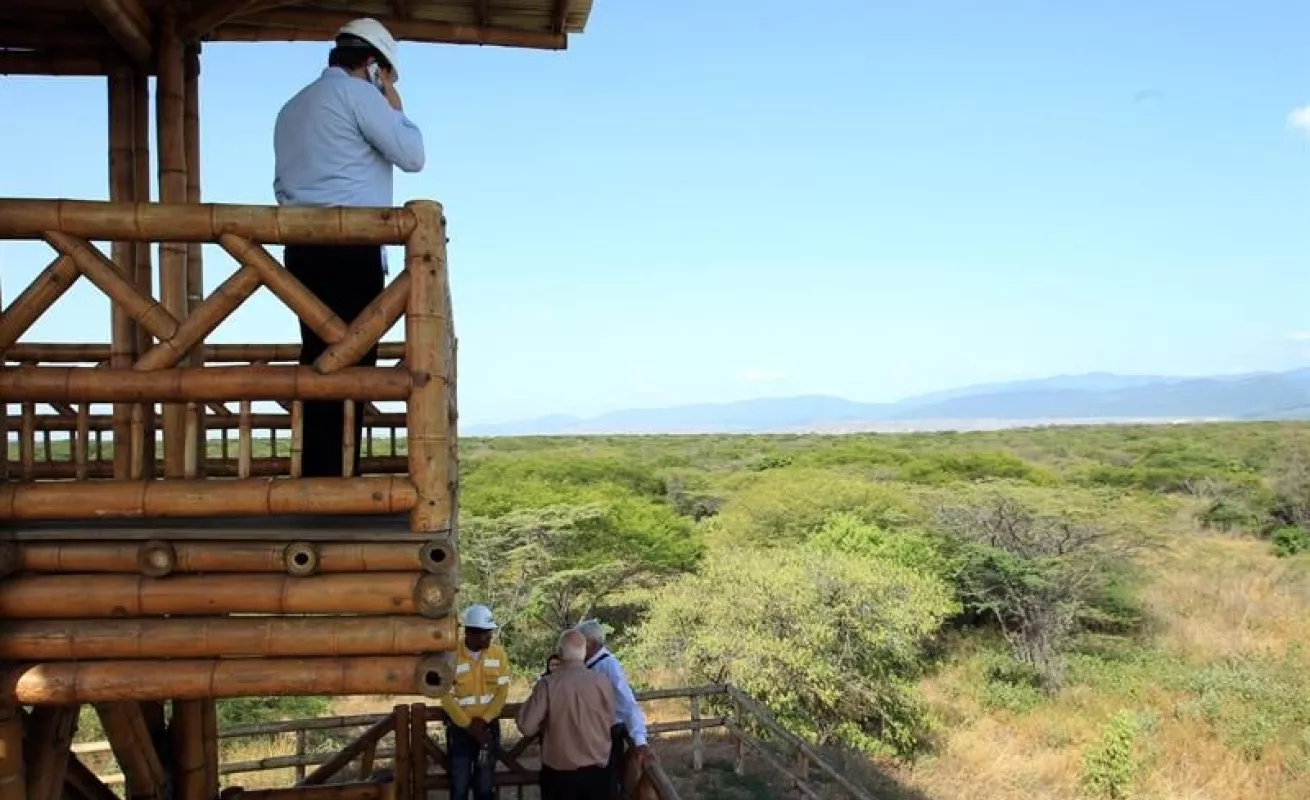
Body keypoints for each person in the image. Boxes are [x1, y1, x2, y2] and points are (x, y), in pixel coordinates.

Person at [271, 17, 425, 478]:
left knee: (318, 359)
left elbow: (282, 185)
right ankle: (340, 480)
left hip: (300, 249)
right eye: (388, 76)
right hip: (352, 247)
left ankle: (317, 476)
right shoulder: (357, 95)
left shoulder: (291, 107)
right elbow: (413, 155)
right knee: (354, 361)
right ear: (375, 66)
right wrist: (393, 103)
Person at [516, 630, 615, 800]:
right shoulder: (602, 682)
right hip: (598, 775)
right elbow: (611, 718)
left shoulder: (548, 684)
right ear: (583, 652)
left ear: (560, 653)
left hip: (559, 777)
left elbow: (526, 726)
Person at [440, 605, 511, 800]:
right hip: (460, 730)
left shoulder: (499, 654)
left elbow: (502, 693)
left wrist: (485, 720)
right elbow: (444, 695)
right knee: (459, 786)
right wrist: (468, 725)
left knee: (484, 786)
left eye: (490, 633)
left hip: (488, 729)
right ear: (469, 633)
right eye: (485, 634)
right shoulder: (450, 656)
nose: (489, 637)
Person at [575, 619, 652, 798]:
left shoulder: (608, 665)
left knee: (606, 786)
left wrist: (639, 740)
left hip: (608, 735)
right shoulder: (590, 664)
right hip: (595, 736)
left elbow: (627, 702)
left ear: (590, 643)